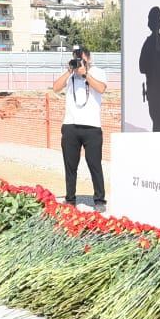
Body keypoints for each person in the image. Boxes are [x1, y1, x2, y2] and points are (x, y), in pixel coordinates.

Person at [52, 44, 109, 210]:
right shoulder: (71, 75)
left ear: (89, 58)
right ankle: (70, 199)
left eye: (82, 59)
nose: (79, 63)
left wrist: (86, 75)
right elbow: (55, 87)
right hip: (70, 125)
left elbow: (101, 88)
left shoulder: (97, 72)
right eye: (76, 60)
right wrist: (70, 71)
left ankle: (99, 200)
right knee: (70, 165)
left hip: (92, 127)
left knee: (94, 164)